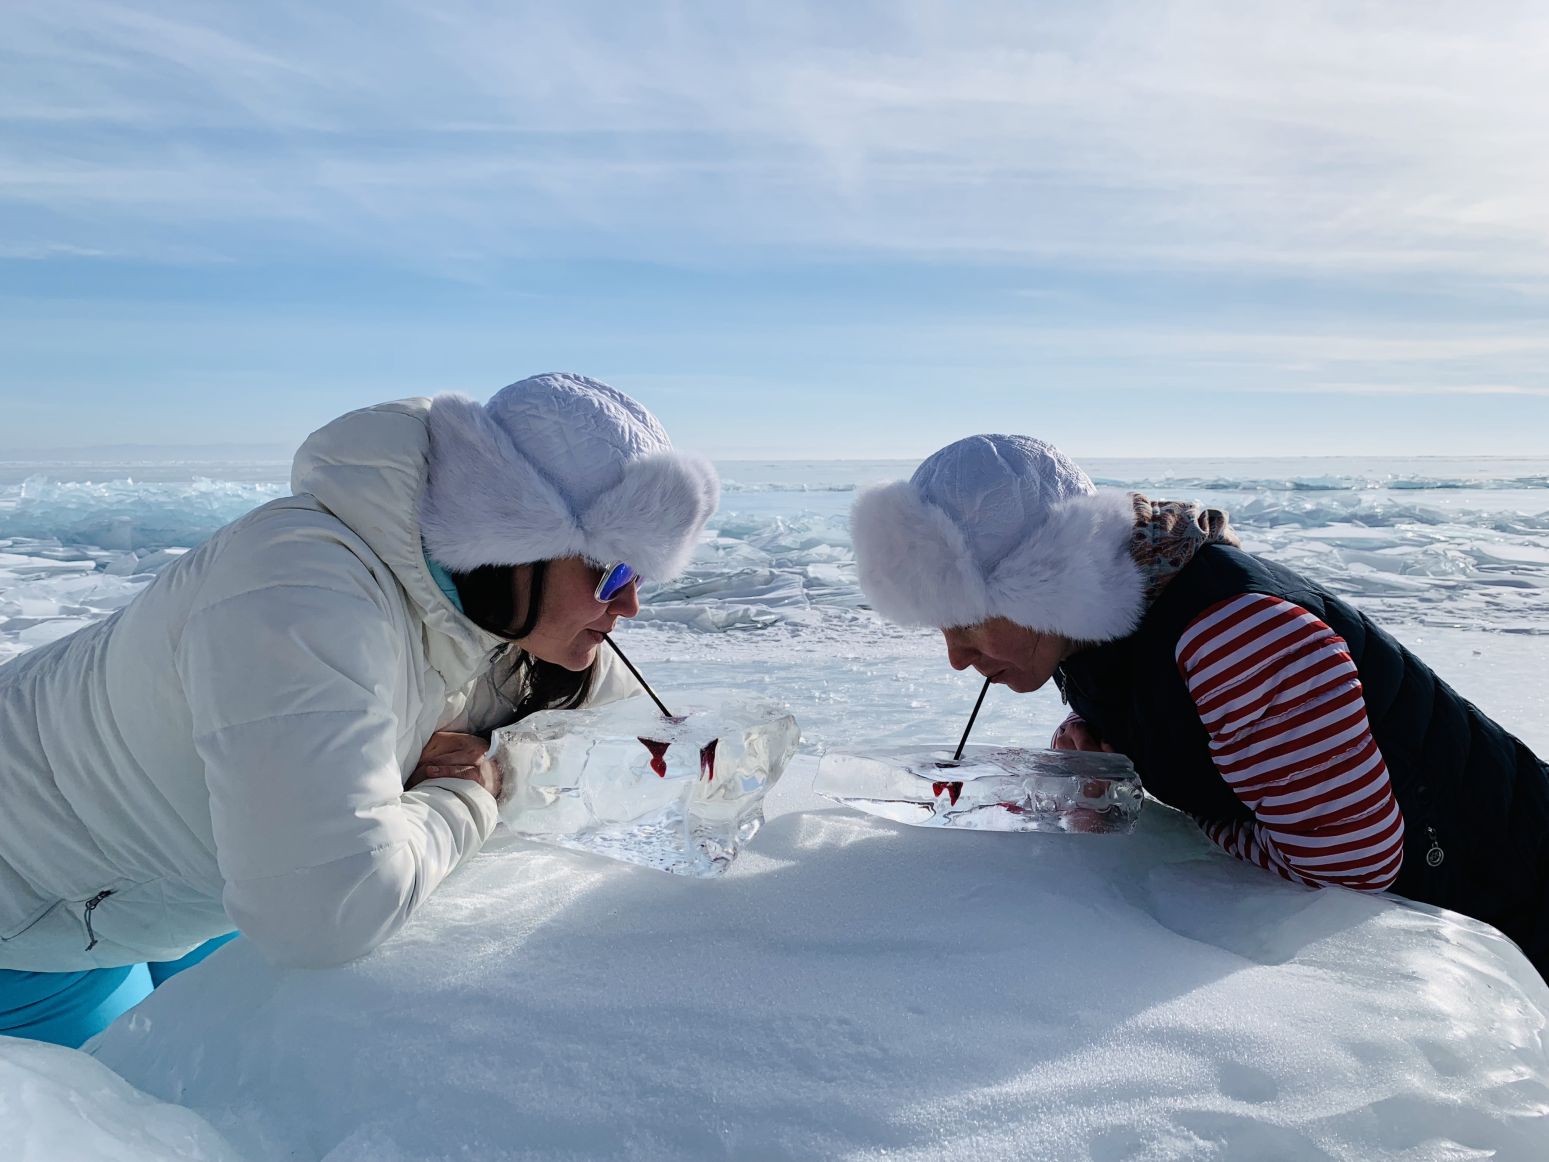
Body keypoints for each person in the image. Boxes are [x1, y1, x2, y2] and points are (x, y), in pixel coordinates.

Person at [0, 373, 718, 1046]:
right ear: (512, 542)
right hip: (34, 917)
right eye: (614, 571)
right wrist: (472, 792)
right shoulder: (299, 590)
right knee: (151, 1122)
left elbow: (648, 748)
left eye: (644, 574)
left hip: (183, 887)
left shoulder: (504, 616)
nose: (629, 604)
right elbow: (320, 916)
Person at [850, 433, 1549, 975]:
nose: (957, 656)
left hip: (1513, 898)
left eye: (971, 618)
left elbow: (1348, 861)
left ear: (1049, 582)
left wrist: (1174, 810)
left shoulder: (1235, 635)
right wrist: (1107, 747)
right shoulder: (1106, 616)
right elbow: (1172, 701)